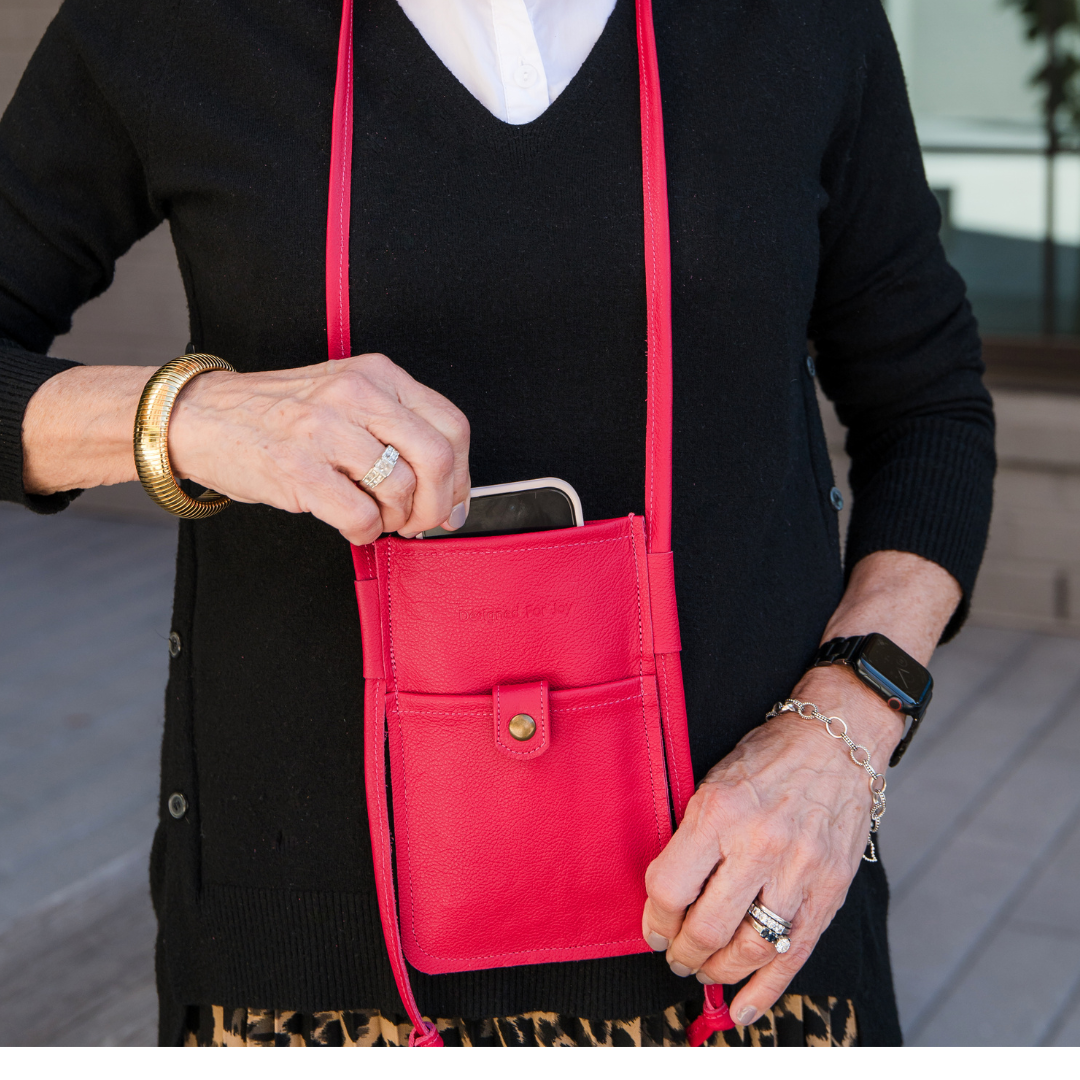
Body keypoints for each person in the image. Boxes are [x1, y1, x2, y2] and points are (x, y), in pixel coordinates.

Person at [0, 0, 994, 1047]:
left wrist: (845, 737)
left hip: (744, 931)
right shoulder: (170, 23)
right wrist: (188, 417)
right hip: (309, 960)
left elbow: (929, 404)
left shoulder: (803, 22)